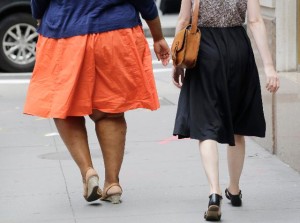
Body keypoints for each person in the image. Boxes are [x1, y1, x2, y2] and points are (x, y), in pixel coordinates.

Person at [24, 0, 170, 204]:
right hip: (115, 33)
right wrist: (158, 36)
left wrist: (40, 15)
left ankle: (88, 171)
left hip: (64, 31)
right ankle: (112, 183)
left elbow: (39, 3)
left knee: (64, 106)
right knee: (110, 110)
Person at [172, 0, 279, 221]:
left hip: (205, 50)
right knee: (238, 125)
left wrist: (177, 62)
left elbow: (183, 19)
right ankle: (235, 189)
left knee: (206, 125)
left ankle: (214, 192)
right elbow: (255, 20)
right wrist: (269, 67)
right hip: (238, 49)